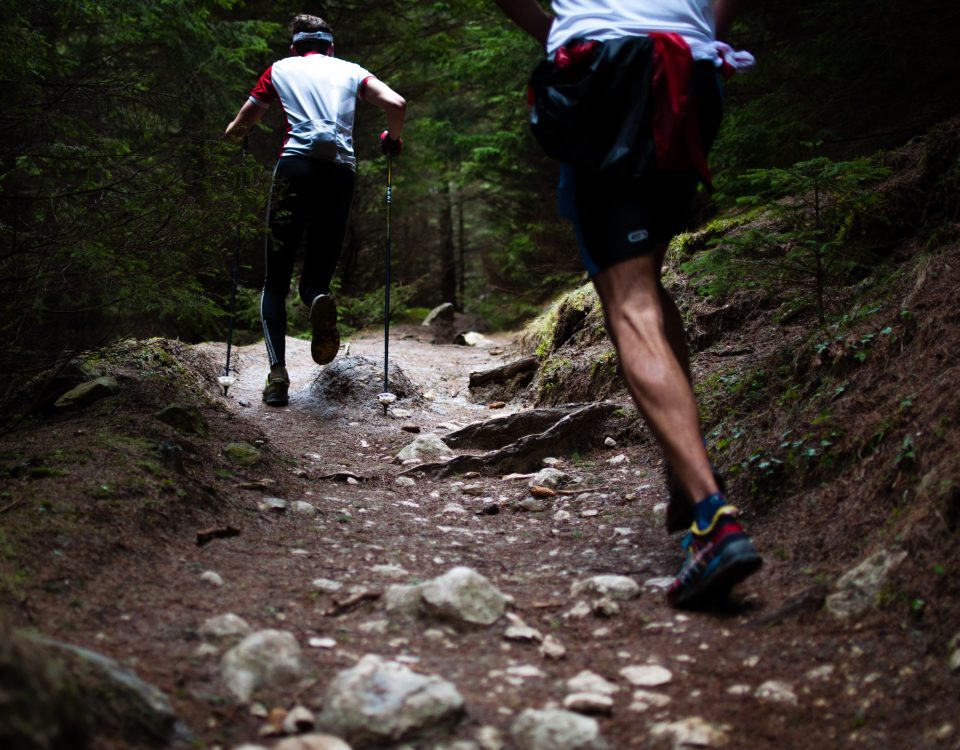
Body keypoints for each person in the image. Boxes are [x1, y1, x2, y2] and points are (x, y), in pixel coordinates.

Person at [492, 0, 761, 608]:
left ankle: (714, 520)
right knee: (647, 278)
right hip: (690, 73)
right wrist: (705, 43)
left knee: (630, 300)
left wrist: (558, 31)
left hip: (602, 70)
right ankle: (689, 479)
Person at [225, 14, 406, 407]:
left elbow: (244, 121)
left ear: (295, 47)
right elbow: (396, 103)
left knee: (274, 280)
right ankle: (316, 299)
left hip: (295, 168)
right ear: (331, 47)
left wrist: (236, 133)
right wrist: (392, 138)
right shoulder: (351, 71)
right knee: (316, 278)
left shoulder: (279, 69)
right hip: (340, 173)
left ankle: (277, 377)